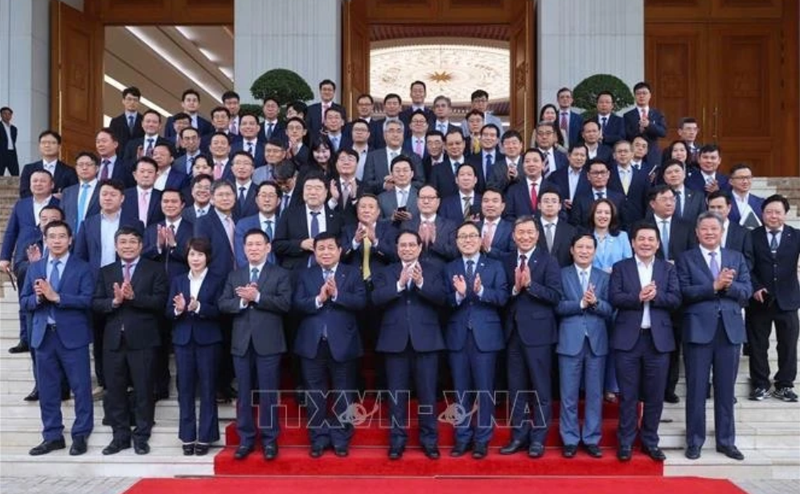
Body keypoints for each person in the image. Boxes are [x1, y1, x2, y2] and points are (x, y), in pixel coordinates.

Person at [677, 211, 751, 461]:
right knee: (696, 389)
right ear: (697, 232)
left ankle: (726, 441)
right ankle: (695, 441)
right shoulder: (686, 258)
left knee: (726, 390)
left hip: (729, 332)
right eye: (704, 229)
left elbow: (746, 292)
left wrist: (728, 286)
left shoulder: (736, 257)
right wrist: (713, 287)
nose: (709, 233)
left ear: (722, 232)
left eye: (714, 229)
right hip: (698, 331)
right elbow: (684, 293)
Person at [609, 222, 681, 462]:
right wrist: (638, 297)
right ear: (633, 243)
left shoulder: (667, 269)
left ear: (658, 244)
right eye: (641, 239)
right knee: (628, 395)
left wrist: (656, 296)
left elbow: (676, 299)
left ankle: (650, 441)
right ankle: (626, 442)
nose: (646, 243)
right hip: (628, 340)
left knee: (655, 395)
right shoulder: (621, 267)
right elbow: (615, 297)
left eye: (651, 239)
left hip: (657, 341)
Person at [20, 220, 94, 457]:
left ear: (70, 239)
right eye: (52, 236)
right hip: (43, 337)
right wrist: (39, 299)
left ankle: (80, 434)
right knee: (48, 389)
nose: (57, 241)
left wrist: (57, 297)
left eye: (62, 236)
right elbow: (24, 302)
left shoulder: (83, 267)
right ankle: (52, 436)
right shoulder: (36, 267)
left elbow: (87, 300)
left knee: (81, 388)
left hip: (73, 337)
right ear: (46, 239)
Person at [93, 226, 168, 456]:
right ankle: (120, 436)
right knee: (114, 391)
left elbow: (160, 302)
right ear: (116, 246)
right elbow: (95, 303)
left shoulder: (154, 269)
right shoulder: (106, 272)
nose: (127, 245)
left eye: (132, 241)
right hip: (113, 341)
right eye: (122, 242)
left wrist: (135, 298)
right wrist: (114, 302)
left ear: (141, 245)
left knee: (144, 390)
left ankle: (142, 436)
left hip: (143, 340)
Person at [371, 230, 446, 460]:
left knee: (427, 395)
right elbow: (375, 299)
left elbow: (443, 298)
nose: (407, 248)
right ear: (396, 248)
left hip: (426, 340)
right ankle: (397, 441)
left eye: (411, 245)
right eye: (402, 245)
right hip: (395, 342)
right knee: (396, 396)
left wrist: (421, 282)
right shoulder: (386, 272)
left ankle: (429, 440)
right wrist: (400, 285)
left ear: (419, 247)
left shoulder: (433, 270)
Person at [219, 229, 292, 461]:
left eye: (258, 244)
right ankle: (246, 439)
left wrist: (258, 297)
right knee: (244, 394)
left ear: (268, 247)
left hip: (269, 343)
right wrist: (243, 300)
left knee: (268, 394)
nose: (253, 248)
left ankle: (270, 440)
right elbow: (223, 303)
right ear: (243, 248)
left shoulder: (280, 274)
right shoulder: (235, 275)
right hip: (241, 343)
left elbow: (285, 304)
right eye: (249, 244)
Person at [293, 232, 366, 458]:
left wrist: (336, 295)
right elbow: (296, 303)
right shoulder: (305, 274)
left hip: (343, 344)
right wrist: (319, 299)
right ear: (314, 253)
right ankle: (318, 438)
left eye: (330, 248)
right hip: (312, 344)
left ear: (339, 250)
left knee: (344, 393)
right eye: (321, 249)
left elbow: (362, 302)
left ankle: (340, 438)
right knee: (315, 394)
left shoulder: (352, 273)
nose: (325, 252)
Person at [499, 216, 561, 459]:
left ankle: (538, 438)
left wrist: (531, 285)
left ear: (537, 235)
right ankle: (518, 435)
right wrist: (515, 288)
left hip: (539, 335)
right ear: (513, 236)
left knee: (540, 388)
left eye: (529, 232)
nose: (524, 236)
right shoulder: (505, 261)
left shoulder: (548, 260)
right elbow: (501, 296)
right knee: (516, 389)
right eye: (520, 233)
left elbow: (556, 295)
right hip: (512, 333)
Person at [445, 222, 509, 459]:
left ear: (481, 240)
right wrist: (458, 295)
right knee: (461, 391)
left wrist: (481, 292)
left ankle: (482, 439)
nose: (468, 240)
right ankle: (462, 437)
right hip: (458, 336)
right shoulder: (449, 267)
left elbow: (502, 297)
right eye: (463, 236)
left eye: (472, 235)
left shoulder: (494, 266)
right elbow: (443, 301)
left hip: (486, 336)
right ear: (457, 241)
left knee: (485, 390)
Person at [555, 233, 613, 458]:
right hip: (569, 341)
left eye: (589, 247)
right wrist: (580, 303)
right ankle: (569, 439)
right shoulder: (562, 275)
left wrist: (596, 303)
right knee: (568, 394)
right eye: (580, 247)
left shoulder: (603, 277)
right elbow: (557, 306)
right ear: (572, 250)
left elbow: (610, 310)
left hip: (597, 342)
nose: (584, 251)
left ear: (595, 251)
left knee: (594, 394)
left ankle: (591, 438)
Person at [165, 237, 224, 456]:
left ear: (207, 257)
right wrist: (179, 310)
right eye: (192, 254)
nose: (195, 258)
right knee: (185, 389)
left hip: (208, 340)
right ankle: (187, 436)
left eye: (199, 254)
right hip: (183, 340)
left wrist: (198, 306)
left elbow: (220, 310)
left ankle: (206, 436)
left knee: (208, 389)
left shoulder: (217, 280)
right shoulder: (178, 280)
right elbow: (167, 312)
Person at [748, 194, 800, 402]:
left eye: (778, 212)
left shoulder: (796, 236)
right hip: (760, 300)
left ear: (785, 214)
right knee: (758, 344)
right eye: (769, 212)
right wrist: (755, 287)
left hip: (788, 299)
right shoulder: (752, 236)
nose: (773, 216)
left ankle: (785, 384)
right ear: (762, 214)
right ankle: (760, 384)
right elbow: (746, 265)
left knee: (788, 344)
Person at [1, 169, 59, 355]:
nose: (38, 184)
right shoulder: (22, 205)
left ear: (51, 184)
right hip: (24, 258)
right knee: (26, 298)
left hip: (53, 255)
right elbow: (11, 231)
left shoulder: (59, 203)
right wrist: (4, 257)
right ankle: (25, 338)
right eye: (35, 181)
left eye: (43, 181)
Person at [273, 174, 344, 271]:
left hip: (328, 272)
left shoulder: (336, 218)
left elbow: (342, 246)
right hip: (297, 272)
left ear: (326, 192)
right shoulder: (289, 214)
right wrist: (300, 244)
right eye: (308, 188)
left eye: (318, 188)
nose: (313, 192)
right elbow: (277, 245)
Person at [234, 181, 281, 268]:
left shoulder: (283, 223)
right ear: (256, 200)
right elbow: (241, 257)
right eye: (263, 195)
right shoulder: (244, 225)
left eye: (271, 196)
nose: (267, 199)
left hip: (280, 277)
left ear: (278, 201)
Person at [19, 131, 78, 198]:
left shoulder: (69, 171)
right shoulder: (29, 169)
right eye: (43, 143)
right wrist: (47, 198)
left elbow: (73, 193)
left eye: (52, 143)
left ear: (59, 147)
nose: (47, 145)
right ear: (39, 146)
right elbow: (24, 192)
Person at [623, 82, 667, 166]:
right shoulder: (628, 115)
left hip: (652, 153)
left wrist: (649, 125)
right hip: (634, 154)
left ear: (650, 95)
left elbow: (663, 132)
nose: (641, 96)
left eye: (644, 93)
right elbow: (625, 135)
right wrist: (638, 131)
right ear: (634, 96)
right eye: (638, 93)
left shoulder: (658, 114)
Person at [61, 152, 101, 233]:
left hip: (94, 236)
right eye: (80, 165)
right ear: (76, 168)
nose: (84, 168)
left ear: (97, 168)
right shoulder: (68, 191)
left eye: (89, 164)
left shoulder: (104, 189)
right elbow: (62, 216)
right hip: (71, 238)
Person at [536, 188, 577, 268]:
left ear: (559, 206)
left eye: (554, 201)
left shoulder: (571, 231)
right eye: (546, 201)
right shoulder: (531, 229)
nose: (550, 205)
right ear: (539, 206)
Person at [503, 148, 546, 220]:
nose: (531, 164)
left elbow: (561, 215)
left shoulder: (553, 188)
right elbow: (508, 215)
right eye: (527, 161)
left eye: (535, 161)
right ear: (522, 165)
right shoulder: (513, 189)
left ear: (543, 165)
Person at [478, 187, 514, 260]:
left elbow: (512, 256)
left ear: (502, 206)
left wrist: (489, 250)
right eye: (486, 201)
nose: (490, 205)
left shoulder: (511, 228)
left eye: (495, 201)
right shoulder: (474, 227)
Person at [728, 163, 764, 228]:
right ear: (731, 181)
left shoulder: (760, 202)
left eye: (748, 177)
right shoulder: (724, 200)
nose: (745, 181)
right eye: (741, 178)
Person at [0, 106, 19, 176]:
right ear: (1, 115)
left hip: (11, 154)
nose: (7, 116)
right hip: (1, 154)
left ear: (11, 116)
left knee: (16, 174)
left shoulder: (14, 128)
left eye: (9, 114)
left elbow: (14, 141)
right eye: (5, 113)